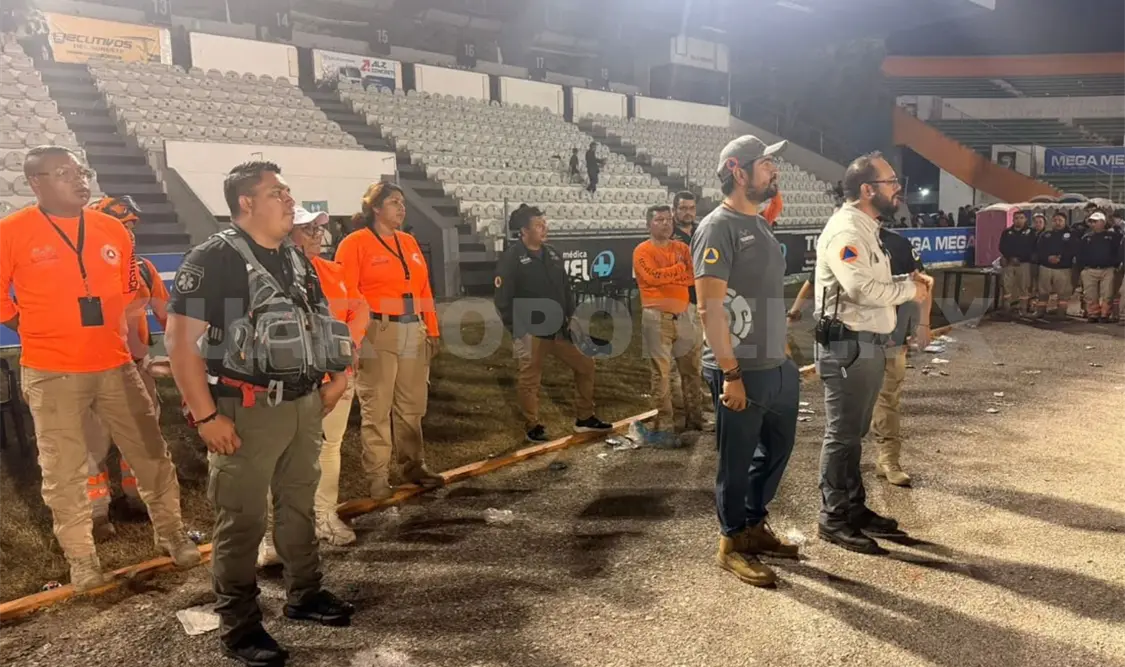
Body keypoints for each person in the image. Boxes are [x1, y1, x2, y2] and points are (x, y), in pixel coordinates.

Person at [165, 161, 355, 666]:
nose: (290, 200)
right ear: (246, 202)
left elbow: (320, 323)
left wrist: (333, 382)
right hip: (244, 410)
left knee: (296, 507)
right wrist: (206, 417)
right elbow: (180, 343)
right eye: (278, 192)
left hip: (302, 404)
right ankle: (241, 626)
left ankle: (305, 594)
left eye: (288, 190)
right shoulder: (216, 258)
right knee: (242, 521)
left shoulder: (295, 258)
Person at [0, 146, 199, 591]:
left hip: (115, 365)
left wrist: (131, 346)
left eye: (81, 170)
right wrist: (27, 325)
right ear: (36, 182)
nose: (78, 179)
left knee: (151, 454)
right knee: (63, 470)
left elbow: (129, 294)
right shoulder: (11, 231)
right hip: (52, 371)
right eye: (64, 173)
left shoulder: (113, 230)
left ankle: (171, 533)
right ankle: (82, 559)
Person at [692, 135, 801, 587]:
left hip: (776, 365)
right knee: (735, 462)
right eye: (767, 164)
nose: (775, 171)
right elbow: (708, 309)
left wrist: (784, 353)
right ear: (738, 171)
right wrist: (731, 374)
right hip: (740, 371)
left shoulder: (759, 224)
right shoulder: (717, 227)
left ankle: (754, 524)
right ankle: (731, 541)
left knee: (777, 451)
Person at [813, 151, 931, 555]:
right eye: (891, 182)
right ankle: (833, 517)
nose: (898, 189)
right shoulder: (848, 230)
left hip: (864, 343)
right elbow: (860, 289)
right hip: (849, 344)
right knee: (842, 436)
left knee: (852, 435)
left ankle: (854, 508)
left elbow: (871, 283)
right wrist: (910, 289)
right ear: (868, 190)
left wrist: (901, 280)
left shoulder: (866, 228)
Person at [257, 205, 370, 567]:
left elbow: (359, 307)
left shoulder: (333, 271)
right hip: (291, 381)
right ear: (287, 233)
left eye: (318, 230)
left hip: (334, 375)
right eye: (307, 229)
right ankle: (268, 533)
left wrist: (347, 345)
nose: (316, 236)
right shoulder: (268, 274)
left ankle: (323, 515)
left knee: (329, 448)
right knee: (274, 457)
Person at [789, 219, 931, 488]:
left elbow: (922, 284)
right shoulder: (843, 239)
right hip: (850, 342)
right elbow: (814, 283)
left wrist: (923, 323)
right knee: (849, 411)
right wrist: (795, 310)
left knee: (887, 399)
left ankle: (888, 460)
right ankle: (842, 479)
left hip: (891, 339)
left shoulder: (897, 244)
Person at [335, 182, 442, 502]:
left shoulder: (408, 241)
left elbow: (424, 290)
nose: (402, 207)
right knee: (377, 408)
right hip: (376, 331)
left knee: (412, 406)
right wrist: (350, 340)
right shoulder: (354, 243)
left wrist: (432, 329)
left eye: (403, 202)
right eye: (394, 202)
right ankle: (377, 477)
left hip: (413, 330)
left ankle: (413, 465)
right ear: (375, 208)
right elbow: (346, 295)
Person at [82, 195, 169, 540]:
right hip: (92, 371)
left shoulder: (144, 269)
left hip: (135, 367)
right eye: (121, 226)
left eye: (132, 226)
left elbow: (169, 315)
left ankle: (138, 499)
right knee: (91, 444)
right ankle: (96, 515)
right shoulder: (79, 272)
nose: (129, 234)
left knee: (143, 438)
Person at [494, 204, 614, 443]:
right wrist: (517, 330)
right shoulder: (512, 258)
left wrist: (571, 317)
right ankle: (532, 425)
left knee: (585, 366)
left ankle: (584, 417)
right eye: (538, 225)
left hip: (559, 329)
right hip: (531, 331)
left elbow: (565, 289)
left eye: (544, 223)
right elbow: (502, 299)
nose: (544, 228)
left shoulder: (553, 254)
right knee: (530, 380)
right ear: (523, 231)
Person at [633, 204, 700, 445]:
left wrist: (668, 274)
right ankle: (667, 424)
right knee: (661, 374)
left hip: (683, 315)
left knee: (691, 369)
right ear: (649, 224)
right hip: (656, 318)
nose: (666, 224)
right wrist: (677, 270)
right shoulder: (642, 250)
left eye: (668, 220)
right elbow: (651, 277)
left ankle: (695, 418)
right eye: (659, 220)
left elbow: (692, 276)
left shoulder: (682, 247)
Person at [1033, 212, 1077, 320]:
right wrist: (1047, 257)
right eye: (1055, 220)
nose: (1057, 223)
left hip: (1064, 268)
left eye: (1060, 220)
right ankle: (1040, 312)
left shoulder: (1072, 235)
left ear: (1065, 221)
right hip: (1046, 267)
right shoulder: (1046, 235)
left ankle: (1061, 313)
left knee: (1063, 293)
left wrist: (1061, 258)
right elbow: (1039, 249)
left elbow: (1074, 250)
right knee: (1043, 292)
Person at [1077, 212, 1118, 324]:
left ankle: (1105, 315)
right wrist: (1082, 269)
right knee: (1090, 294)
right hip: (1090, 269)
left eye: (1096, 221)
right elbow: (1080, 254)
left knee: (1107, 293)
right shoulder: (1086, 237)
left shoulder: (1113, 236)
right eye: (1092, 221)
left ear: (1103, 222)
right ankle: (1093, 314)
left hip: (1107, 269)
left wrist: (1115, 265)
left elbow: (1117, 252)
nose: (1093, 224)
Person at [998, 210, 1036, 317]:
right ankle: (1006, 308)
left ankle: (1023, 309)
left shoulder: (1031, 232)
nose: (1018, 220)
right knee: (1006, 285)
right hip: (1009, 263)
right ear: (1013, 219)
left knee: (1024, 286)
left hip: (1024, 263)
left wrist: (1020, 258)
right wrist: (1009, 257)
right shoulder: (1007, 232)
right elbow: (1002, 246)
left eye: (1021, 218)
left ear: (1025, 219)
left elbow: (1032, 248)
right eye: (1016, 218)